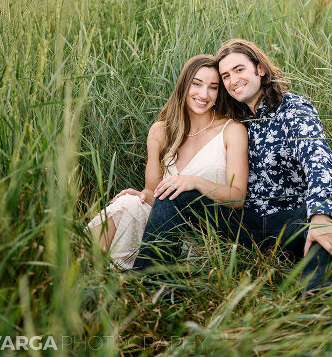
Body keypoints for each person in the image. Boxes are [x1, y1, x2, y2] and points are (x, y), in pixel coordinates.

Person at [134, 40, 332, 293]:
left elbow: (319, 163)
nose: (233, 80)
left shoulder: (292, 109)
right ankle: (147, 287)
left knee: (324, 219)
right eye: (226, 76)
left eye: (239, 70)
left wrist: (320, 215)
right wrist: (147, 193)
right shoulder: (236, 120)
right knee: (173, 193)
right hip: (244, 223)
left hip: (291, 218)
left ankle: (318, 294)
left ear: (260, 69)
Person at [87, 55, 249, 269]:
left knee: (158, 205)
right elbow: (153, 194)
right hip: (161, 224)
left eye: (213, 87)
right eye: (196, 84)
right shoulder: (161, 132)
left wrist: (195, 182)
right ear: (184, 85)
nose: (203, 94)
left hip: (202, 231)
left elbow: (237, 197)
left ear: (219, 92)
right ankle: (85, 272)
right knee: (127, 203)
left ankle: (135, 280)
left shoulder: (231, 130)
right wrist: (141, 196)